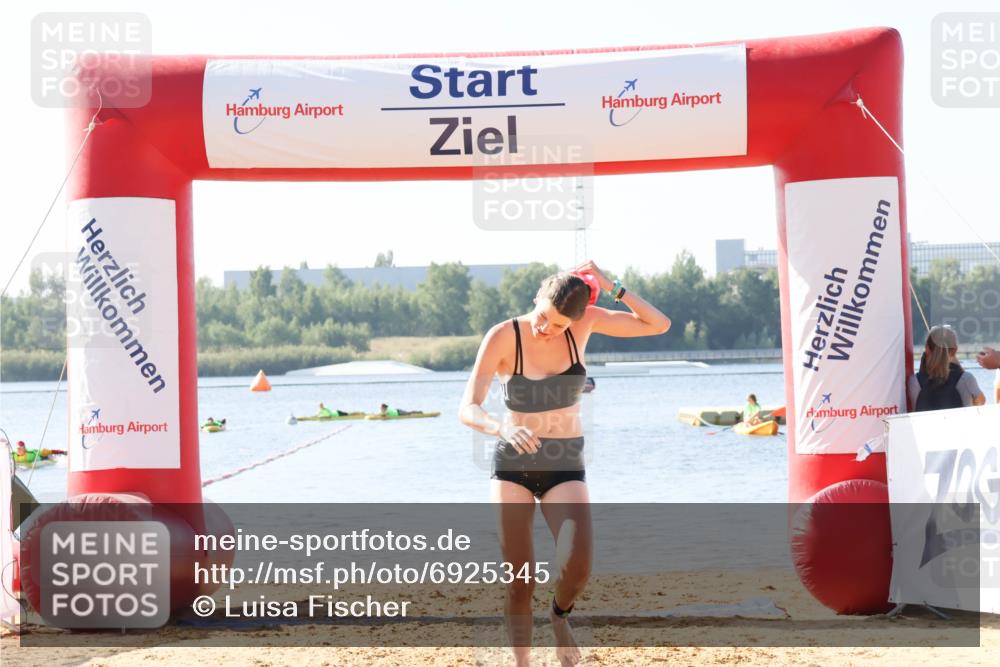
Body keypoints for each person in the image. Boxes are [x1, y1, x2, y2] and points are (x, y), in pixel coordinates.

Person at [459, 261, 670, 666]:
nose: (546, 329)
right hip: (513, 466)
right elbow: (467, 407)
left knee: (578, 563)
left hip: (565, 463)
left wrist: (611, 285)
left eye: (557, 326)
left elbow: (658, 324)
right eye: (543, 318)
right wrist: (499, 427)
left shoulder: (585, 322)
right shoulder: (504, 335)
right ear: (536, 298)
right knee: (519, 581)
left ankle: (559, 617)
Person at [908, 326, 985, 411]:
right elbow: (981, 402)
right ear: (955, 350)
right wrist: (959, 368)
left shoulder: (914, 381)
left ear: (926, 348)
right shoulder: (966, 379)